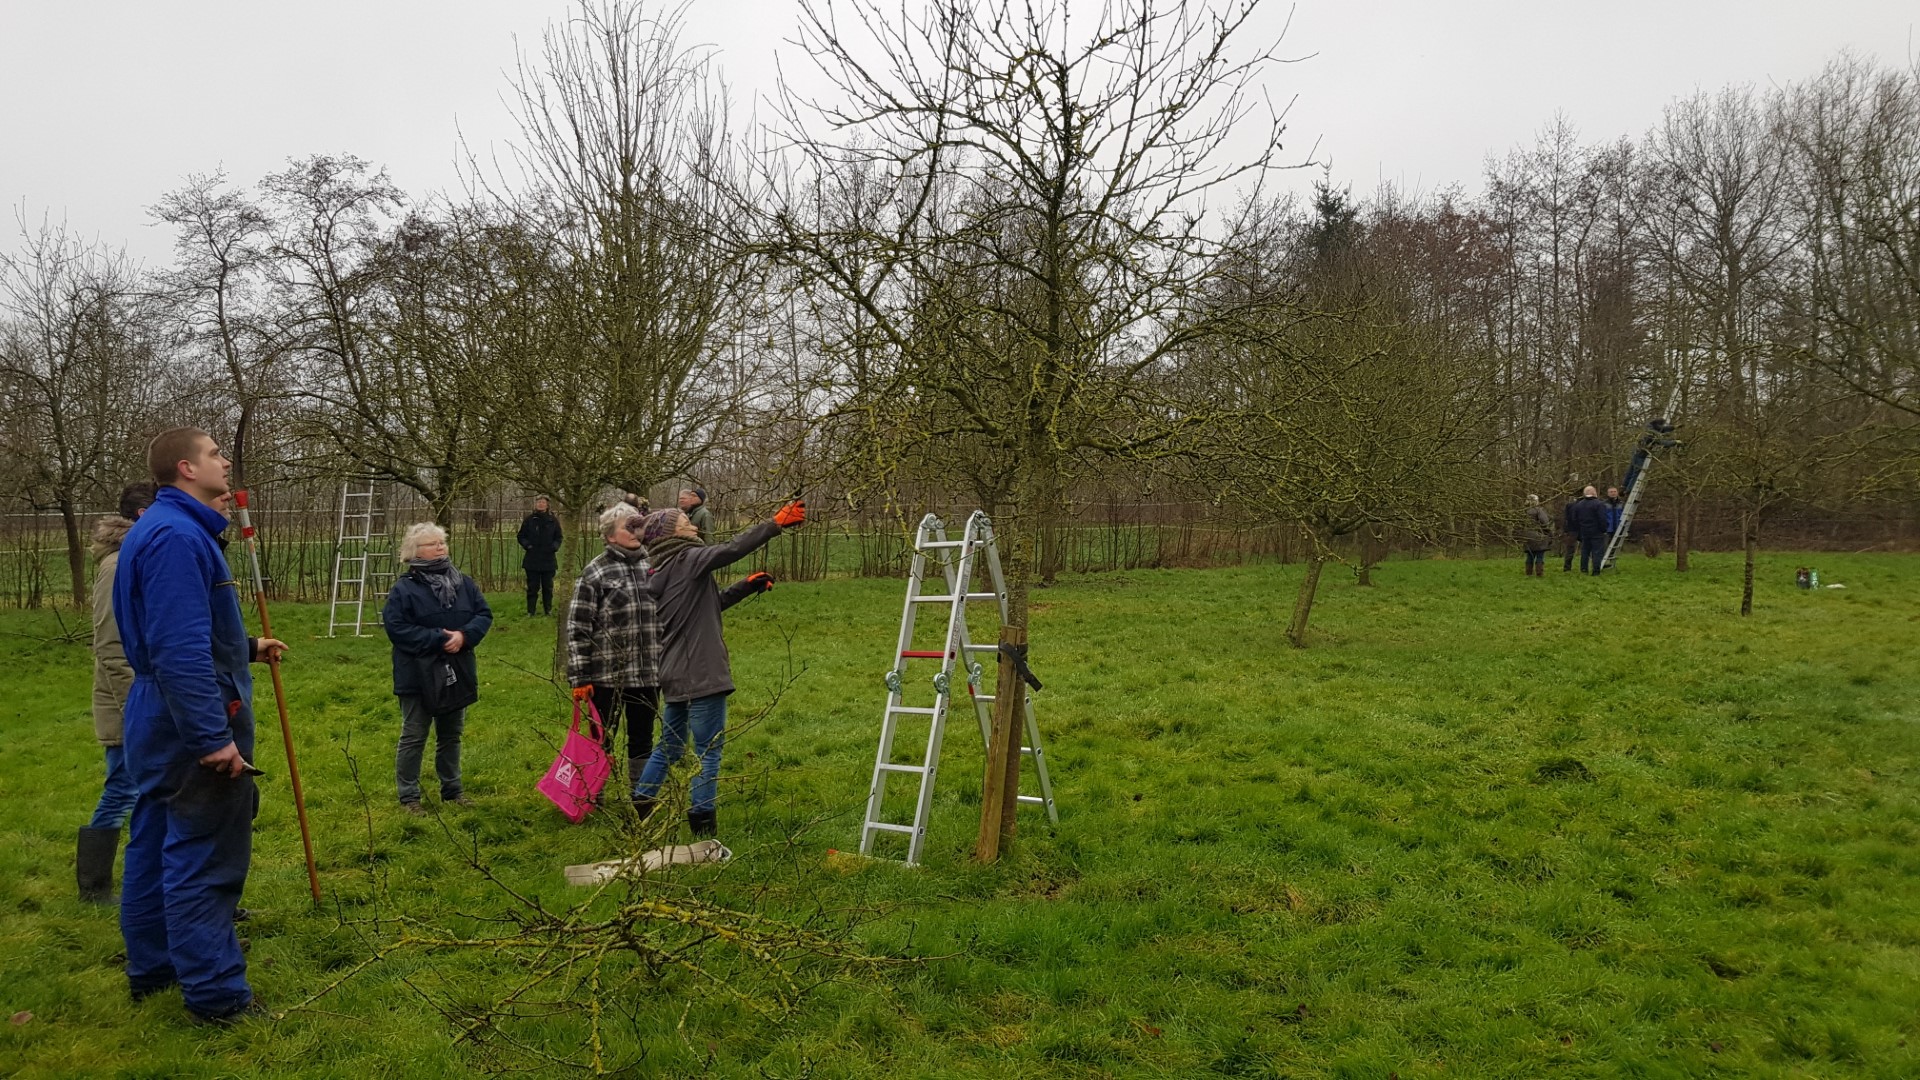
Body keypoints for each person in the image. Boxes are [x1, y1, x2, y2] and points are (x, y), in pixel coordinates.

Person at [115, 427, 287, 1024]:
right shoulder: (176, 537)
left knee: (156, 841)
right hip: (186, 716)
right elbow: (177, 650)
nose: (225, 460)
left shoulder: (166, 530)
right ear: (187, 468)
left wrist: (244, 645)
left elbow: (187, 632)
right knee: (202, 857)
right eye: (216, 453)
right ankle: (217, 998)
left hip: (160, 711)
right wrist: (213, 738)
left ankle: (155, 968)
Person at [629, 498, 807, 836]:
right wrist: (775, 524)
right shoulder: (688, 558)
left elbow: (710, 605)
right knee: (709, 750)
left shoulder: (663, 570)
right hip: (703, 671)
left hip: (674, 672)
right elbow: (731, 550)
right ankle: (703, 826)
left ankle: (639, 811)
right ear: (671, 532)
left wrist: (745, 586)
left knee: (668, 746)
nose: (693, 526)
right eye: (685, 522)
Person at [76, 482, 158, 903]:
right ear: (144, 515)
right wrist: (138, 706)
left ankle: (152, 886)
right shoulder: (117, 565)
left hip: (139, 699)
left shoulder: (138, 555)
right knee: (123, 787)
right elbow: (110, 644)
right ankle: (94, 888)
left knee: (147, 792)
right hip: (125, 702)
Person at [383, 523, 493, 815]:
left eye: (442, 542)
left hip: (457, 669)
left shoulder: (463, 583)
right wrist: (439, 639)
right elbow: (397, 628)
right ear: (415, 552)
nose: (441, 548)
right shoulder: (404, 590)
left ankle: (453, 790)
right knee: (415, 734)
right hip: (416, 673)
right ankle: (409, 797)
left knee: (451, 734)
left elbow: (483, 614)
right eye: (432, 544)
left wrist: (464, 636)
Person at [565, 504, 663, 795]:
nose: (635, 532)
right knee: (601, 738)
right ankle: (593, 794)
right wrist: (581, 677)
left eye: (638, 526)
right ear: (609, 536)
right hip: (607, 675)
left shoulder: (655, 566)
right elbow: (578, 626)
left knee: (643, 738)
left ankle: (641, 794)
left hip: (648, 672)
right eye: (627, 527)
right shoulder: (595, 572)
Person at [517, 496, 564, 616]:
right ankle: (530, 611)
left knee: (548, 588)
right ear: (535, 504)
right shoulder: (529, 520)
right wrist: (528, 546)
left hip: (548, 560)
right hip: (532, 560)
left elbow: (559, 537)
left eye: (543, 502)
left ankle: (547, 611)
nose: (540, 504)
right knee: (532, 587)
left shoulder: (553, 521)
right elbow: (521, 536)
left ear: (547, 505)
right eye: (538, 502)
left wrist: (554, 547)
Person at [1570, 485, 1611, 575]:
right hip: (1597, 532)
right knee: (1597, 552)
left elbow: (1574, 519)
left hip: (1584, 531)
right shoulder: (1599, 504)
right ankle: (1596, 571)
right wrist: (1604, 529)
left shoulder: (1579, 505)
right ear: (1594, 493)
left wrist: (1580, 529)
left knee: (1585, 552)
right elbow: (1602, 518)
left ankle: (1584, 570)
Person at [1521, 495, 1552, 577]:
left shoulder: (1523, 511)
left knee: (1530, 555)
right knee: (1539, 555)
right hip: (1539, 535)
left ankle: (1528, 573)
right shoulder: (1539, 511)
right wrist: (1549, 534)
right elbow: (1545, 523)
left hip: (1527, 536)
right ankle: (1539, 573)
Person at [1560, 491, 1581, 572]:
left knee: (1570, 549)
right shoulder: (1582, 505)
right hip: (1580, 529)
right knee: (1587, 548)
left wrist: (1566, 529)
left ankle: (1567, 567)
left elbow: (1566, 518)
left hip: (1571, 529)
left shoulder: (1569, 505)